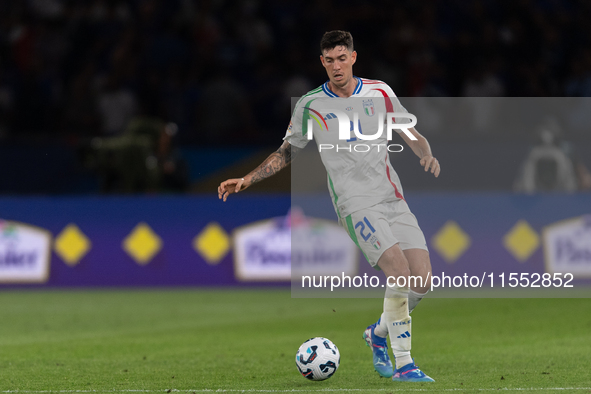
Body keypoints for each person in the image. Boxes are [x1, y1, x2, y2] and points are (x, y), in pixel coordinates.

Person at [218, 31, 440, 383]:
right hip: (355, 203)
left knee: (423, 281)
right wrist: (247, 178)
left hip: (392, 197)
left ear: (354, 57)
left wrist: (425, 152)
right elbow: (287, 151)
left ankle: (377, 334)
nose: (336, 66)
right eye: (329, 60)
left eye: (342, 58)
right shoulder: (310, 104)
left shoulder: (380, 91)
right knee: (398, 270)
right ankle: (405, 364)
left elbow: (407, 131)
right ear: (322, 62)